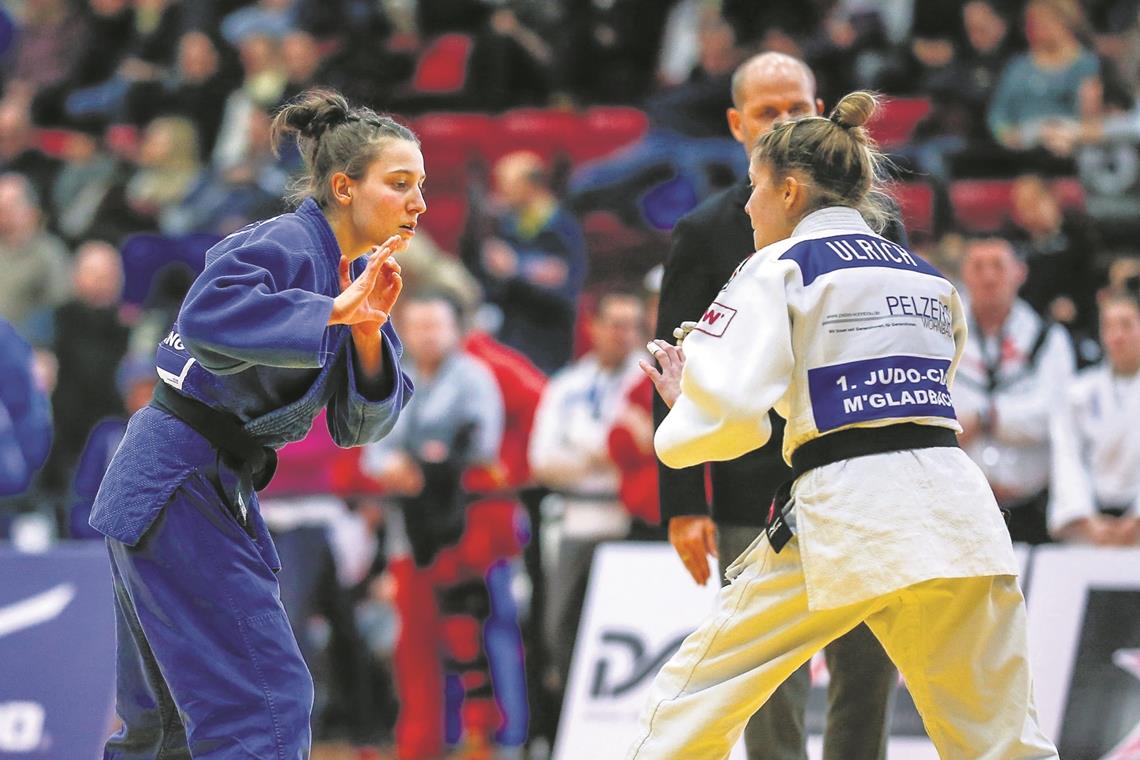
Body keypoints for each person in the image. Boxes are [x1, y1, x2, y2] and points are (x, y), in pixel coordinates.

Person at [631, 91, 1058, 760]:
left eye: (754, 189)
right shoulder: (929, 279)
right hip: (957, 515)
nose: (747, 208)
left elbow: (728, 426)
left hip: (846, 516)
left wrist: (687, 400)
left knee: (688, 707)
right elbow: (902, 396)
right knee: (1001, 740)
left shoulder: (778, 266)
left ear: (791, 190)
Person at [87, 88, 419, 759]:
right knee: (261, 703)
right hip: (178, 483)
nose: (418, 203)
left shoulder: (347, 272)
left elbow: (360, 425)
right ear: (344, 187)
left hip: (177, 485)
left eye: (422, 186)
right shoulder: (289, 241)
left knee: (167, 727)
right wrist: (331, 313)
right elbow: (206, 316)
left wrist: (362, 328)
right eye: (400, 183)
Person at [652, 51, 897, 760]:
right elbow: (672, 362)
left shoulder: (876, 224)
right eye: (769, 111)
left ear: (823, 109)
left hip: (859, 481)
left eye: (799, 106)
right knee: (765, 676)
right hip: (748, 486)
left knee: (865, 666)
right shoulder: (707, 228)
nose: (787, 121)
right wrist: (681, 500)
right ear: (736, 124)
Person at [361, 292, 528, 760]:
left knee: (486, 640)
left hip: (470, 534)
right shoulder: (395, 376)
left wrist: (416, 462)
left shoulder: (475, 377)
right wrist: (400, 463)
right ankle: (420, 744)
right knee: (414, 647)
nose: (428, 334)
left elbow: (479, 446)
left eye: (436, 324)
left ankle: (502, 742)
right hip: (411, 535)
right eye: (418, 325)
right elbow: (374, 449)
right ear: (404, 330)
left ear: (456, 329)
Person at [954, 237, 1076, 545]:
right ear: (964, 275)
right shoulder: (941, 335)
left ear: (1019, 272)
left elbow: (1052, 415)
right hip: (957, 511)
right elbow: (939, 414)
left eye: (998, 265)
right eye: (978, 266)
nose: (989, 277)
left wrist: (986, 419)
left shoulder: (1048, 337)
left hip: (1031, 511)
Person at [1049, 287, 1140, 544]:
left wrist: (1135, 520)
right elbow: (1067, 456)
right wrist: (1086, 519)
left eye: (1126, 325)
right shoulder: (1078, 392)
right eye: (1109, 327)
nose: (1117, 336)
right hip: (1090, 526)